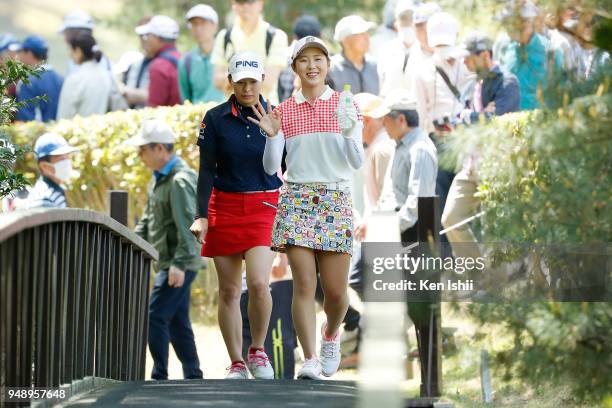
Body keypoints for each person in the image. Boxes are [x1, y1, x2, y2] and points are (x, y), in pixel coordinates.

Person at [251, 36, 365, 379]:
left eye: (318, 59)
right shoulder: (284, 111)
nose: (312, 66)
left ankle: (331, 334)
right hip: (298, 199)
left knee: (335, 293)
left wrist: (348, 131)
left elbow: (356, 161)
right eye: (304, 60)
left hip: (336, 198)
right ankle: (311, 359)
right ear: (294, 68)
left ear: (328, 65)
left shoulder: (346, 104)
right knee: (302, 284)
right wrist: (272, 136)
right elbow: (272, 168)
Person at [189, 51, 282, 379]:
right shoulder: (214, 118)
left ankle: (257, 350)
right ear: (230, 82)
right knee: (229, 290)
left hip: (263, 206)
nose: (246, 88)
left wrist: (275, 135)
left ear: (261, 81)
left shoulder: (275, 113)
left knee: (258, 283)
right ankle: (236, 361)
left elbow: (281, 168)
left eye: (252, 81)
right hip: (225, 207)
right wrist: (201, 215)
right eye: (240, 81)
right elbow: (206, 172)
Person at [128, 119, 204, 381]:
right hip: (170, 262)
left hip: (177, 263)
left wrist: (180, 263)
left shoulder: (179, 180)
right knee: (177, 322)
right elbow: (148, 221)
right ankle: (194, 375)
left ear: (159, 148)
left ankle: (159, 376)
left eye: (143, 150)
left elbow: (188, 226)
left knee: (156, 317)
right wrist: (128, 244)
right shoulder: (159, 179)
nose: (140, 156)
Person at [442, 32, 520, 260]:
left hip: (496, 165)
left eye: (469, 57)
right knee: (451, 219)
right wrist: (475, 116)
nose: (464, 62)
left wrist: (470, 117)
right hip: (470, 165)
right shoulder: (472, 84)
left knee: (494, 227)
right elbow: (455, 119)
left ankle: (498, 282)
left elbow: (497, 121)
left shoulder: (507, 82)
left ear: (485, 55)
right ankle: (478, 275)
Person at [378, 92, 438, 242]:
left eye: (385, 119)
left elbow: (418, 201)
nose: (383, 124)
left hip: (407, 234)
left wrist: (391, 228)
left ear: (401, 120)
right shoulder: (402, 144)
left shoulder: (420, 149)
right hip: (392, 226)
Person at [211, 0, 288, 104]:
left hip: (265, 112)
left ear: (260, 4)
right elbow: (217, 81)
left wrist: (232, 76)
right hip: (230, 113)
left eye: (250, 2)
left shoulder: (276, 36)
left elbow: (268, 81)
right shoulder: (223, 36)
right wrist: (255, 75)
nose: (245, 6)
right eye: (240, 2)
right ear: (233, 5)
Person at [497, 1, 562, 110]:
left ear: (526, 23)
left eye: (509, 24)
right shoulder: (503, 47)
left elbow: (561, 91)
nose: (506, 29)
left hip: (540, 122)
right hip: (510, 121)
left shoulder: (550, 50)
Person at [57, 32, 116, 119]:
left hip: (77, 130)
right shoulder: (107, 76)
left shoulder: (75, 79)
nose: (70, 54)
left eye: (72, 50)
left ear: (78, 51)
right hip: (101, 129)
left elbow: (64, 116)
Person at [13, 132, 79, 210]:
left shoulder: (56, 191)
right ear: (44, 166)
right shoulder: (44, 200)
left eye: (68, 156)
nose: (67, 162)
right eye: (61, 158)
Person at [179, 4, 225, 104]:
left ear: (215, 26)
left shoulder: (227, 54)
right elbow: (186, 99)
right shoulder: (186, 61)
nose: (198, 28)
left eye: (203, 23)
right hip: (199, 117)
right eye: (194, 24)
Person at [135, 15, 182, 107]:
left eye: (148, 35)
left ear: (157, 38)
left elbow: (154, 107)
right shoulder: (182, 58)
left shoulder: (159, 66)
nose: (146, 40)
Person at [15, 36, 63, 123]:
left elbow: (26, 122)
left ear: (29, 53)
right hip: (60, 133)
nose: (19, 56)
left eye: (21, 51)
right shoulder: (61, 79)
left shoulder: (27, 82)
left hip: (37, 135)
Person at [328, 15, 379, 95]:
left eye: (366, 33)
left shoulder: (376, 66)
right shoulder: (331, 69)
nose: (366, 37)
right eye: (360, 34)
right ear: (345, 41)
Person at [378, 0, 419, 97]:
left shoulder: (424, 50)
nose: (408, 24)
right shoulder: (386, 50)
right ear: (396, 24)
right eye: (404, 20)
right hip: (391, 108)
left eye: (411, 20)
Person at [277, 15, 321, 103]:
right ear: (320, 35)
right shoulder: (324, 58)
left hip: (283, 110)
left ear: (294, 36)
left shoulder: (282, 56)